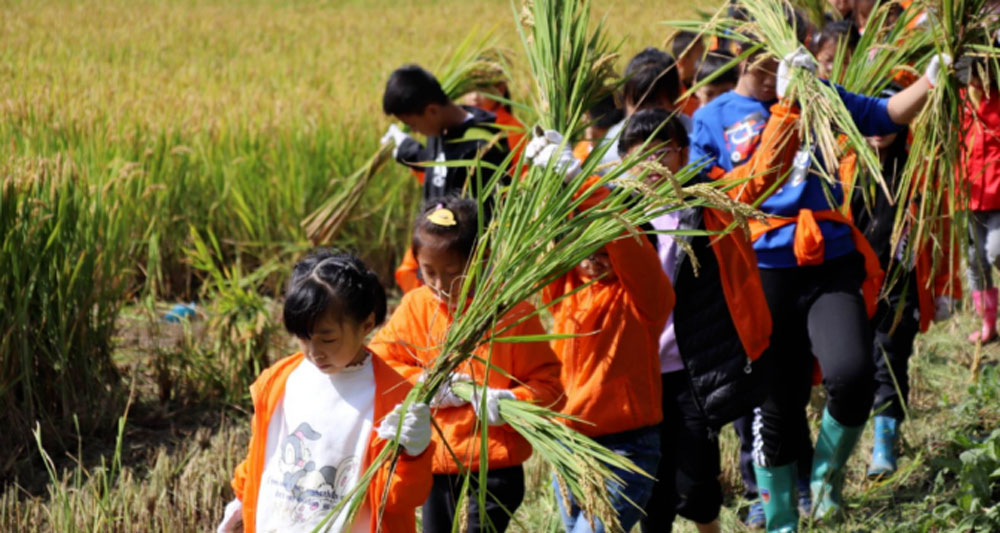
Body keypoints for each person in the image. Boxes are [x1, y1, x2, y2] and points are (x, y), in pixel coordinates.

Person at [690, 33, 948, 528]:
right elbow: (714, 194)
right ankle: (785, 517)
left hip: (829, 258)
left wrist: (932, 79)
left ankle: (827, 482)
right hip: (763, 269)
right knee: (778, 403)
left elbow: (886, 114)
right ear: (748, 47)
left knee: (851, 376)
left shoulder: (818, 94)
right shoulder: (713, 117)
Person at [601, 106, 801, 533]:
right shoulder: (609, 218)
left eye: (664, 153)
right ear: (623, 163)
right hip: (637, 374)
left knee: (696, 484)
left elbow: (763, 173)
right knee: (651, 490)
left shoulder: (709, 203)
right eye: (641, 156)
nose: (653, 166)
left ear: (684, 153)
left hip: (690, 371)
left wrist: (788, 111)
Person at [370, 196, 563, 533]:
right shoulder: (416, 306)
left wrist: (512, 401)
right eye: (428, 273)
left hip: (494, 466)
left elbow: (550, 387)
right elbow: (382, 362)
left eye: (453, 273)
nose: (441, 286)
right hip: (437, 461)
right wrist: (423, 382)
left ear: (480, 259)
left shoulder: (509, 313)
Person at [218, 250, 434, 533]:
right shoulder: (280, 381)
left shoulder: (392, 398)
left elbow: (398, 499)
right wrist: (241, 496)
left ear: (367, 324)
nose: (314, 352)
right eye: (303, 338)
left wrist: (414, 455)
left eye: (327, 338)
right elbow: (263, 452)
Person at [520, 140, 673, 532]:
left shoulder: (644, 298)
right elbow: (546, 236)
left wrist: (584, 183)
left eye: (605, 251)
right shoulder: (566, 289)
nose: (592, 259)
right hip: (570, 444)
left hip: (627, 447)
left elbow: (629, 244)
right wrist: (553, 180)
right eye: (588, 248)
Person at [837, 86, 960, 477]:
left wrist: (945, 288)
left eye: (889, 119)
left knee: (889, 361)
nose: (879, 130)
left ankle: (884, 445)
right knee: (855, 368)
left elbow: (941, 231)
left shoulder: (919, 171)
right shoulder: (845, 165)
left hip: (900, 284)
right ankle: (838, 454)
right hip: (851, 285)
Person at [380, 64, 512, 294]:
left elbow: (492, 210)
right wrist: (405, 149)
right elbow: (437, 167)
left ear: (431, 111)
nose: (415, 131)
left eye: (413, 125)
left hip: (466, 267)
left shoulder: (482, 144)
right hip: (437, 258)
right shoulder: (441, 130)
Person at [595, 48, 691, 168]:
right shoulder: (610, 148)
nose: (648, 114)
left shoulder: (695, 135)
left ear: (676, 100)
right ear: (625, 101)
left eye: (657, 105)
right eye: (640, 105)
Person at [961, 58, 1000, 343]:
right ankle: (988, 325)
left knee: (996, 250)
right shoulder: (956, 99)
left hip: (998, 195)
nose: (978, 76)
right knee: (975, 261)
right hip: (966, 194)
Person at [670, 30, 707, 116]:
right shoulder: (672, 97)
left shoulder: (705, 84)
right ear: (682, 61)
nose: (706, 61)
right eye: (701, 58)